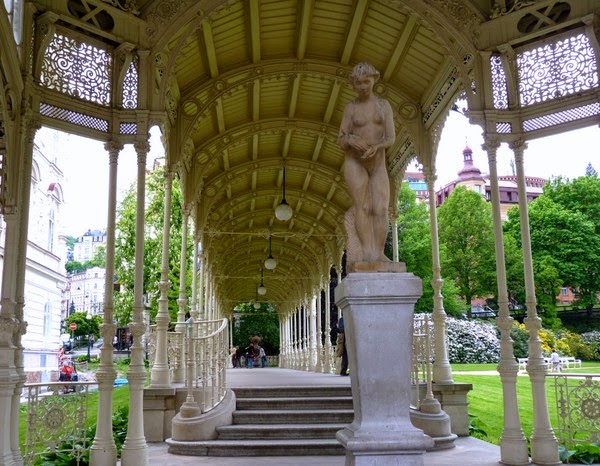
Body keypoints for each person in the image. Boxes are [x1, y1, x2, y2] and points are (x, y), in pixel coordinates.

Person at [338, 62, 396, 265]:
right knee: (362, 207)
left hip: (377, 162)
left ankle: (379, 254)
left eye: (366, 81)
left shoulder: (384, 106)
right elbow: (341, 139)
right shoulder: (351, 108)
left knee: (380, 208)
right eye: (359, 83)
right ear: (353, 84)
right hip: (355, 162)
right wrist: (352, 140)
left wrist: (377, 147)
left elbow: (391, 138)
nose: (363, 86)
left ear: (374, 80)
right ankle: (367, 254)